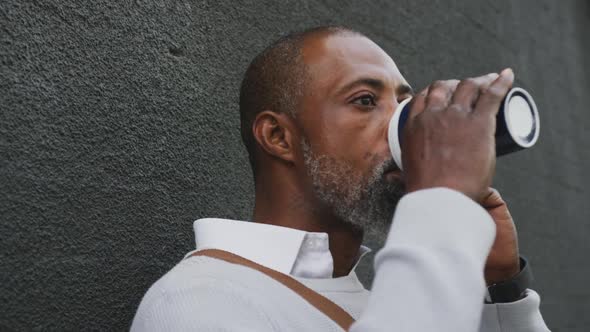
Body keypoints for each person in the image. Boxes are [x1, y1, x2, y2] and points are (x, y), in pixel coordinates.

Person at [131, 26, 550, 331]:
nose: (400, 125)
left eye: (404, 102)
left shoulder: (373, 301)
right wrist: (441, 205)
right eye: (365, 101)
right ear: (279, 137)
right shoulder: (198, 301)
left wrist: (499, 290)